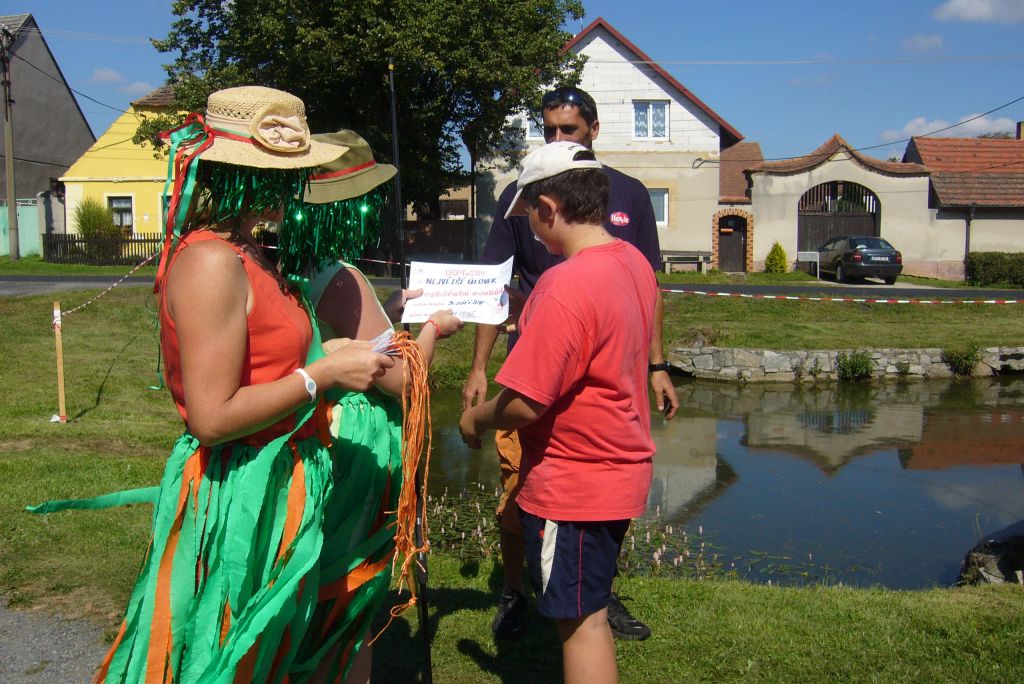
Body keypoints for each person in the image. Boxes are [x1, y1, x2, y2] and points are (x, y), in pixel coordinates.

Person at [32, 86, 396, 682]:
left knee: (276, 658)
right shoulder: (210, 261)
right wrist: (322, 374)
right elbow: (212, 417)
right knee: (233, 657)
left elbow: (268, 365)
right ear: (242, 173)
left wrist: (328, 358)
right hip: (242, 493)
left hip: (281, 482)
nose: (294, 186)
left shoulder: (248, 252)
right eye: (283, 173)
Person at [461, 85, 678, 641]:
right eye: (549, 128)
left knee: (579, 601)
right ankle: (519, 590)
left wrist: (658, 365)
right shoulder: (526, 192)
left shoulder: (626, 198)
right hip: (534, 369)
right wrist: (479, 367)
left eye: (569, 129)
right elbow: (493, 285)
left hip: (574, 436)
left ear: (593, 131)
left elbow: (648, 290)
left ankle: (588, 596)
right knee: (517, 490)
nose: (556, 136)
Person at [297, 129, 464, 682]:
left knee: (315, 587)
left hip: (314, 434)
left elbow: (340, 340)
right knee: (346, 597)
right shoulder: (342, 277)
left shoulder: (295, 264)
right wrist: (433, 328)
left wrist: (387, 313)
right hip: (351, 451)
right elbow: (402, 381)